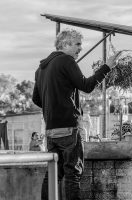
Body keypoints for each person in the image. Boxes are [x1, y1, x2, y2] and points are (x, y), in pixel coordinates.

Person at [32, 28, 122, 200]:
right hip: (68, 129)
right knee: (73, 175)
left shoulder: (40, 68)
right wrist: (107, 67)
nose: (80, 48)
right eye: (78, 44)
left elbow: (36, 98)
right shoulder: (66, 60)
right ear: (65, 44)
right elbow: (87, 86)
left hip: (51, 130)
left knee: (53, 174)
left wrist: (53, 108)